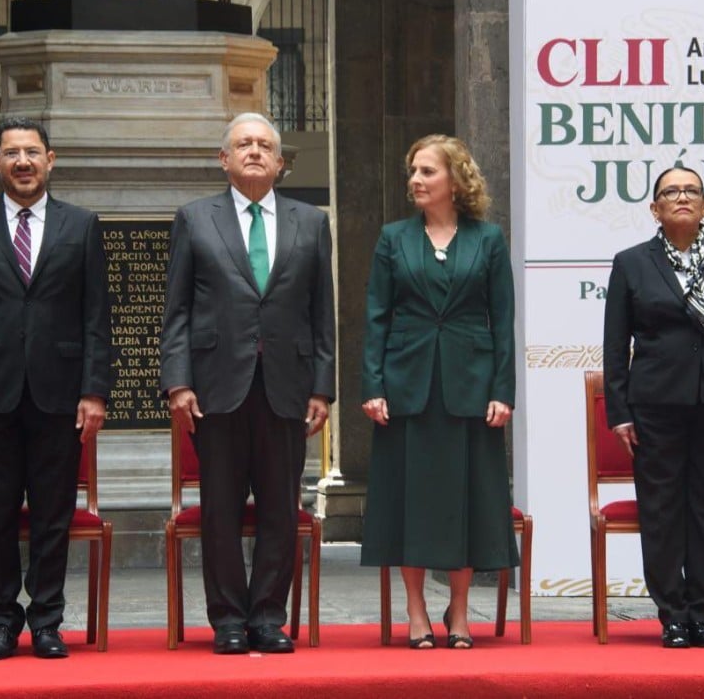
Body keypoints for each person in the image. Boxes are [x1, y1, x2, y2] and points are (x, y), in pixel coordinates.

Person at [160, 112, 335, 655]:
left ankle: (267, 617)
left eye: (264, 145)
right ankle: (229, 620)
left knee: (281, 508)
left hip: (287, 386)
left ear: (280, 162)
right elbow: (177, 311)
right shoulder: (195, 219)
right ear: (224, 159)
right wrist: (178, 383)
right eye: (244, 144)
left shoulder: (311, 222)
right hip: (216, 388)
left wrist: (322, 387)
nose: (254, 151)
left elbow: (321, 312)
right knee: (222, 509)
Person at [0, 116, 112, 661]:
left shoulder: (81, 225)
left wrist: (95, 391)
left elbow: (96, 318)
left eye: (32, 152)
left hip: (60, 395)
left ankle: (46, 622)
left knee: (52, 516)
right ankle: (1, 623)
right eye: (11, 153)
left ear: (50, 160)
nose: (22, 162)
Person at [360, 135, 518, 650]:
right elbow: (376, 316)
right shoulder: (393, 238)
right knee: (410, 503)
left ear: (456, 178)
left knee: (465, 501)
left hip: (470, 388)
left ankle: (460, 611)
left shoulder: (488, 239)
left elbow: (503, 321)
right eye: (413, 171)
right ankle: (415, 609)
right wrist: (373, 385)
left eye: (427, 171)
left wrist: (503, 391)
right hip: (407, 387)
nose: (416, 180)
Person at [602, 166, 704, 649]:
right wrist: (620, 412)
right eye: (671, 191)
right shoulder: (632, 263)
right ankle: (672, 615)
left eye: (691, 190)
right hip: (654, 406)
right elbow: (615, 345)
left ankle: (703, 616)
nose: (682, 197)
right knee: (662, 512)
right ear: (655, 208)